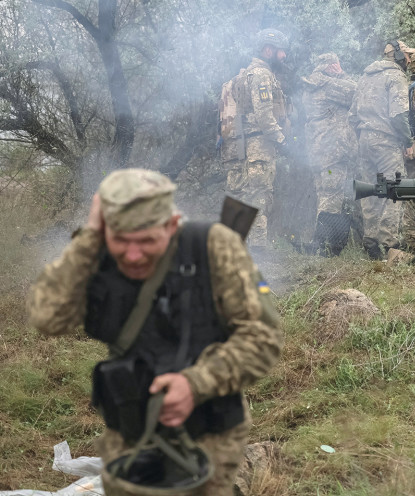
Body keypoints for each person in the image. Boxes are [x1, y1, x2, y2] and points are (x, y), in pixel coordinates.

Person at [27, 169, 282, 494]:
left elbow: (264, 337)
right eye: (121, 241)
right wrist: (89, 238)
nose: (133, 255)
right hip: (127, 431)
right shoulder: (96, 251)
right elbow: (46, 317)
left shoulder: (213, 247)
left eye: (147, 241)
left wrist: (195, 384)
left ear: (172, 225)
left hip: (209, 436)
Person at [218, 28, 292, 252]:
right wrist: (282, 140)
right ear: (268, 50)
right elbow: (264, 116)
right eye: (281, 51)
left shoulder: (242, 76)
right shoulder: (261, 74)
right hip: (258, 147)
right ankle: (258, 252)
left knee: (239, 197)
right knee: (259, 196)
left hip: (240, 146)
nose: (284, 56)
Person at [349, 40, 415, 260]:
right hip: (386, 141)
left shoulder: (365, 76)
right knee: (395, 188)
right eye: (407, 55)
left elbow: (352, 115)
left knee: (371, 189)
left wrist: (363, 134)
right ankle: (389, 244)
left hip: (364, 139)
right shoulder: (396, 76)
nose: (409, 60)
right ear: (397, 55)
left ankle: (370, 241)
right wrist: (408, 141)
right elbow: (398, 115)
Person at [301, 52, 360, 256]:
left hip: (318, 151)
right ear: (331, 66)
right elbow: (357, 92)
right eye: (337, 65)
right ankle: (323, 246)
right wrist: (342, 75)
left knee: (324, 194)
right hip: (333, 151)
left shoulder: (311, 86)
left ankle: (319, 244)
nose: (340, 68)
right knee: (332, 196)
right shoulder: (329, 85)